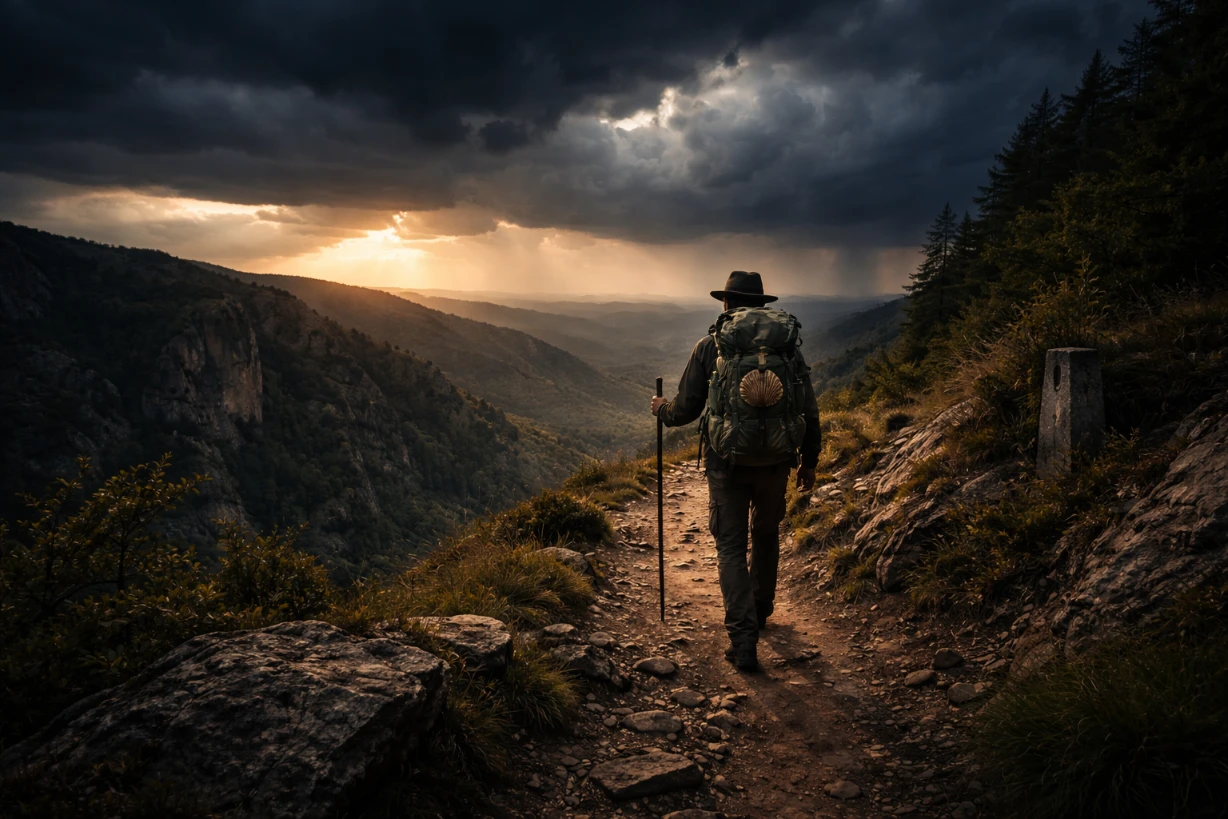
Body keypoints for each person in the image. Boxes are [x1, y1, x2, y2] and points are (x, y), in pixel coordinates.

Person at [651, 271, 820, 671]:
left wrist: (662, 411)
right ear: (761, 305)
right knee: (765, 533)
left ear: (726, 303)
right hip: (777, 461)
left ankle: (743, 640)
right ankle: (761, 610)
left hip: (726, 463)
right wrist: (809, 461)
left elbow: (687, 408)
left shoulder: (711, 346)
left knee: (730, 546)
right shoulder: (788, 350)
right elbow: (808, 409)